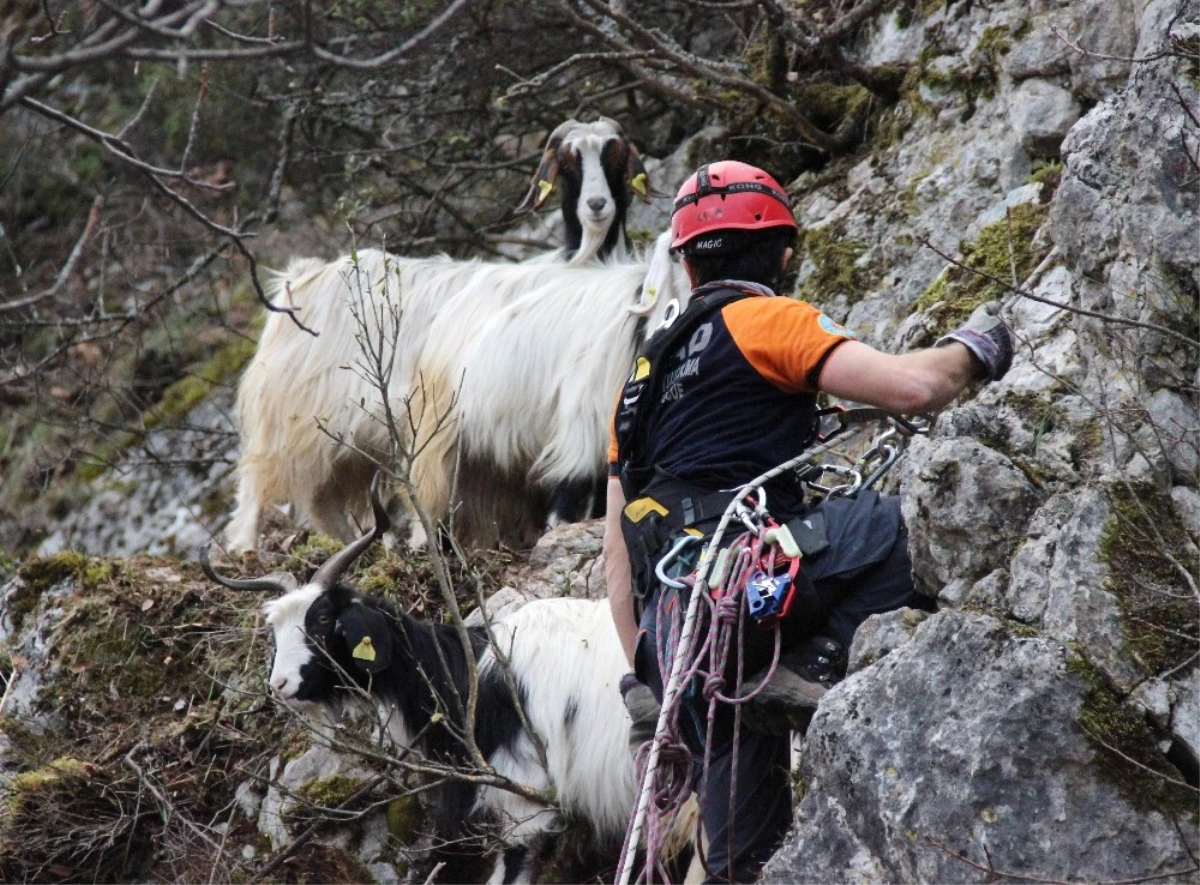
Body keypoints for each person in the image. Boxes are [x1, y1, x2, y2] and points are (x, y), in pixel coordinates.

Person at [603, 160, 1012, 884]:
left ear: (688, 263)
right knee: (892, 528)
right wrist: (976, 348)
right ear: (784, 255)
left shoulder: (640, 380)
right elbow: (917, 387)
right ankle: (810, 663)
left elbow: (618, 554)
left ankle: (767, 689)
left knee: (739, 864)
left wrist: (649, 668)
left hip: (683, 649)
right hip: (751, 594)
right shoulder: (769, 319)